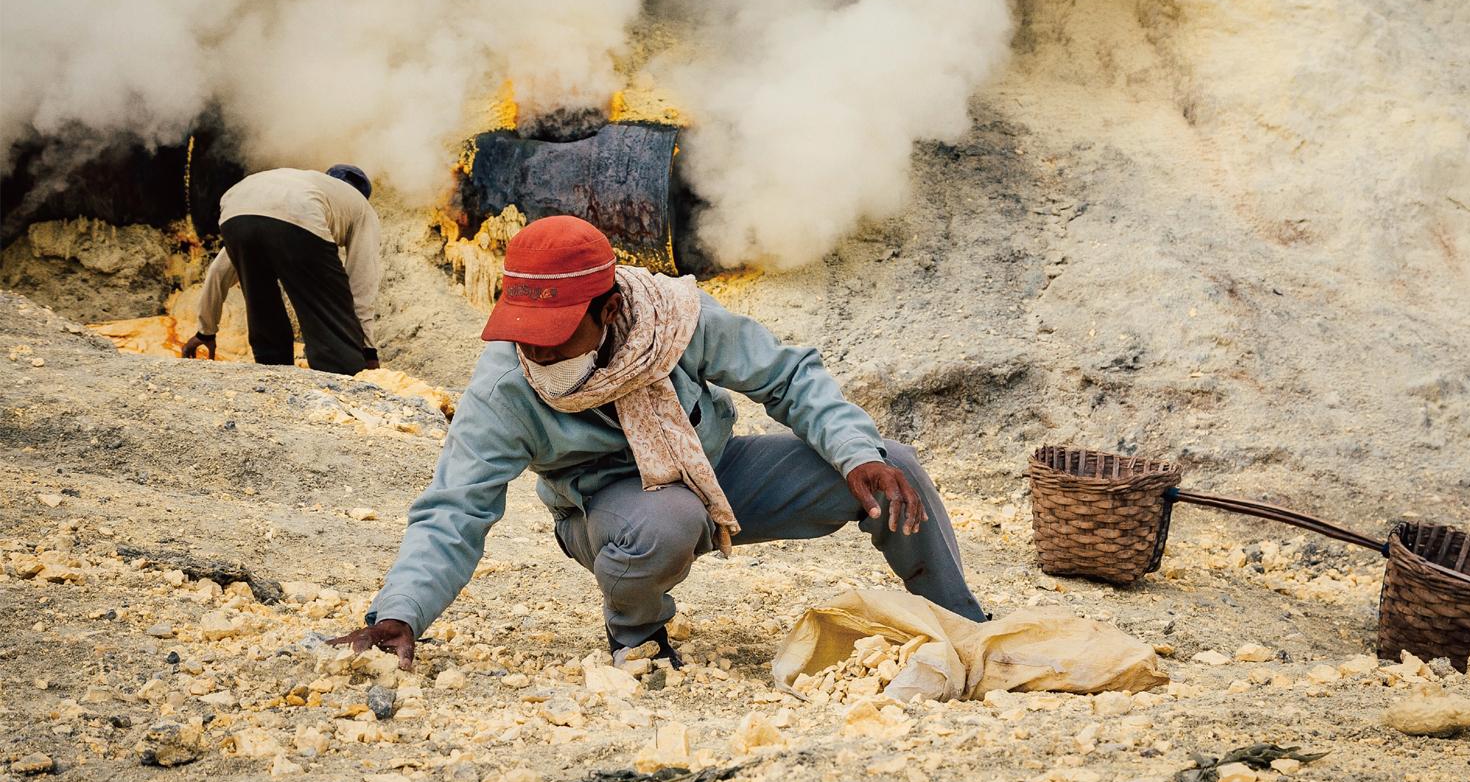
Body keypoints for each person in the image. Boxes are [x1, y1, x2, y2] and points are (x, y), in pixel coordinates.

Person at [332, 215, 984, 669]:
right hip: (608, 511)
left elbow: (787, 375)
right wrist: (402, 612)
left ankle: (962, 624)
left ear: (609, 310)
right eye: (526, 333)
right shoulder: (507, 384)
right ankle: (638, 635)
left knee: (891, 462)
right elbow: (456, 506)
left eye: (556, 335)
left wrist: (855, 452)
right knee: (671, 514)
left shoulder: (674, 317)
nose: (537, 351)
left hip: (714, 469)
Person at [182, 165, 382, 376]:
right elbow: (361, 285)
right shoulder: (361, 207)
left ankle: (273, 370)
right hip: (301, 213)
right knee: (329, 308)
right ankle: (341, 375)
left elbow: (218, 272)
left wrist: (205, 332)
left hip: (235, 209)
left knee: (258, 290)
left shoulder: (305, 183)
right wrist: (368, 351)